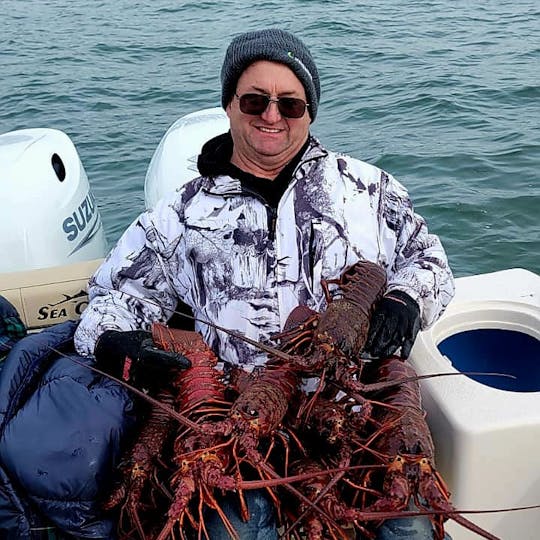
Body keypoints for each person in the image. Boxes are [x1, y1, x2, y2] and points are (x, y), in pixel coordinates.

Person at [74, 28, 455, 540]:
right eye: (254, 99)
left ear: (310, 112)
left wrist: (407, 301)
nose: (271, 115)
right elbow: (112, 299)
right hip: (240, 415)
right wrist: (116, 340)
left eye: (290, 104)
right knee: (238, 527)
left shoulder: (369, 189)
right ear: (229, 105)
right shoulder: (178, 216)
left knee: (408, 527)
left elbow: (429, 261)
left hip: (354, 407)